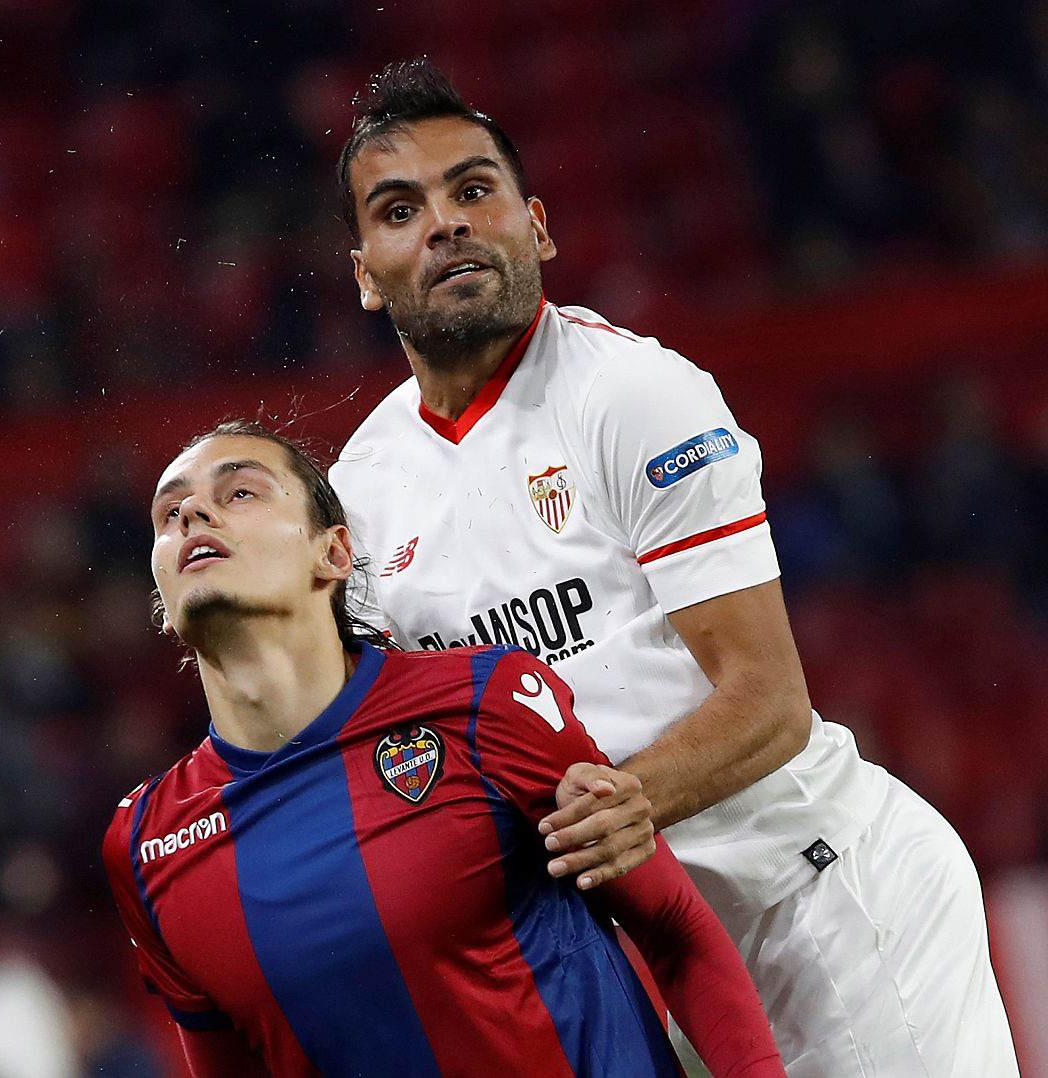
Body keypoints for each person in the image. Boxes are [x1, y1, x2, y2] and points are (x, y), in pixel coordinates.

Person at [328, 56, 1017, 1076]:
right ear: (364, 272)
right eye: (400, 209)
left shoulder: (635, 396)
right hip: (645, 966)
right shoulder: (359, 494)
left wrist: (624, 799)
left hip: (823, 909)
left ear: (540, 226)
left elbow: (769, 701)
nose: (445, 223)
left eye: (474, 190)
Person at [103, 421, 784, 1077]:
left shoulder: (484, 703)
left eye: (239, 492)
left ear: (334, 553)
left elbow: (671, 923)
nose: (192, 514)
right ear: (163, 601)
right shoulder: (146, 844)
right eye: (170, 513)